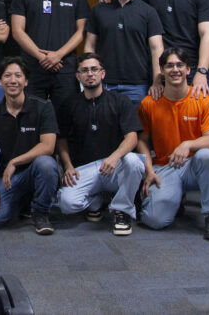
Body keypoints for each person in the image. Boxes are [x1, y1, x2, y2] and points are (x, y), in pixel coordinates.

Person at [138, 48, 209, 240]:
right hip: (165, 166)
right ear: (161, 70)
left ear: (188, 70)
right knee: (154, 220)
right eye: (169, 65)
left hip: (195, 166)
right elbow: (142, 141)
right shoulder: (149, 103)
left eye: (180, 65)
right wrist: (149, 171)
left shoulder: (202, 99)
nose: (175, 70)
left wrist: (188, 144)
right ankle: (174, 200)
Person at [56, 53, 145, 236]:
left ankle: (121, 211)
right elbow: (61, 140)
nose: (90, 74)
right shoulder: (69, 104)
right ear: (78, 76)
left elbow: (132, 138)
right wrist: (68, 166)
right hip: (85, 169)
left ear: (102, 74)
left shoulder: (120, 101)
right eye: (85, 70)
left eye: (94, 69)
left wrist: (114, 157)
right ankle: (95, 200)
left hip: (114, 167)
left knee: (135, 161)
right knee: (66, 203)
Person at [0, 56, 61, 235]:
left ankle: (40, 212)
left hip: (35, 170)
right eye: (7, 76)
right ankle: (23, 202)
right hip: (10, 179)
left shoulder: (43, 107)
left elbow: (48, 146)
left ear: (26, 81)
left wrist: (15, 161)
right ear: (0, 82)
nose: (13, 80)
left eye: (18, 75)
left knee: (46, 164)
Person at [10, 0, 89, 105]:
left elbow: (82, 31)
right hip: (32, 68)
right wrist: (42, 57)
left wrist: (58, 55)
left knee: (66, 120)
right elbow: (17, 31)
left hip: (65, 69)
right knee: (30, 117)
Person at [84, 0, 163, 105]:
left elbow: (157, 49)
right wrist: (90, 77)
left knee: (137, 128)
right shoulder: (99, 10)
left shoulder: (148, 12)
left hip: (138, 86)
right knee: (104, 127)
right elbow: (89, 46)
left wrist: (157, 81)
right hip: (105, 84)